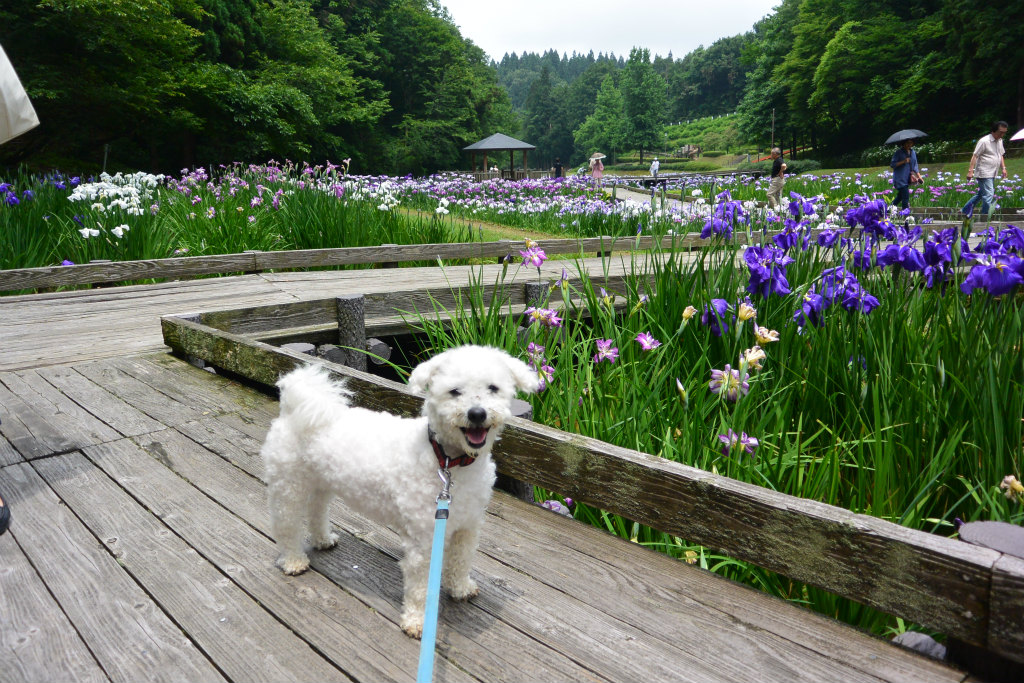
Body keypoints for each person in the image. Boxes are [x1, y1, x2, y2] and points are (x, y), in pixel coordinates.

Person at [962, 120, 1009, 219]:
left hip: (993, 172)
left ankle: (965, 210)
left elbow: (1000, 155)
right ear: (994, 130)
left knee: (981, 194)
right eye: (1001, 132)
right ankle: (985, 216)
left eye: (1004, 132)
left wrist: (1003, 168)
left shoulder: (1000, 141)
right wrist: (970, 171)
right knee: (989, 194)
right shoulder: (984, 141)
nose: (1002, 135)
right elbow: (975, 156)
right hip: (984, 172)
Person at [890, 138, 921, 211]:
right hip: (900, 178)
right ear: (903, 143)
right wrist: (903, 161)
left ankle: (888, 210)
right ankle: (905, 214)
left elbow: (915, 165)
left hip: (907, 178)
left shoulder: (913, 152)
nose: (909, 144)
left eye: (911, 143)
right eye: (907, 143)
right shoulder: (898, 152)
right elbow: (892, 164)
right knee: (906, 196)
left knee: (900, 196)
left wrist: (919, 177)